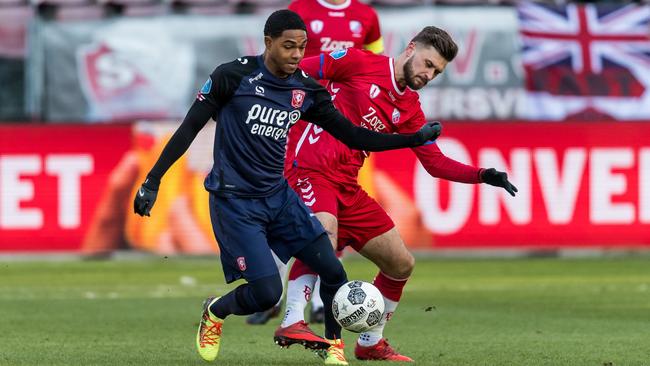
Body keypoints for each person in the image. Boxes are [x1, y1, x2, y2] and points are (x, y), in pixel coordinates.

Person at [132, 10, 442, 363]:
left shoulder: (305, 89)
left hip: (278, 199)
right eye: (289, 46)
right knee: (266, 293)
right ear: (268, 43)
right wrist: (152, 181)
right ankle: (215, 310)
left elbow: (354, 135)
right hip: (235, 202)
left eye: (302, 47)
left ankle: (333, 348)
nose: (297, 55)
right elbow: (187, 129)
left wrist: (412, 138)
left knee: (333, 270)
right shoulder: (232, 76)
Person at [273, 26, 518, 363]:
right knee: (323, 238)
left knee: (401, 263)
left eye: (436, 72)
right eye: (428, 64)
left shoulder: (410, 108)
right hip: (309, 167)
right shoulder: (359, 62)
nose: (429, 74)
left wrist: (483, 175)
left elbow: (435, 163)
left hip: (347, 184)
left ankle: (370, 342)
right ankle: (293, 320)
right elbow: (300, 70)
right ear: (411, 48)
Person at [247, 0, 385, 327]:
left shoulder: (367, 16)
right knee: (287, 203)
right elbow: (280, 57)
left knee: (330, 211)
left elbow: (375, 62)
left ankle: (323, 302)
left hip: (341, 121)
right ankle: (272, 295)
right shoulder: (302, 9)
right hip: (299, 112)